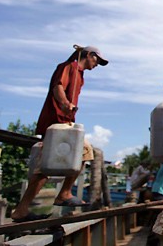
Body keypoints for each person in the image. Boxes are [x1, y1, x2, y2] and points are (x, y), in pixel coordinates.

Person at [11, 45, 108, 222]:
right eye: (97, 60)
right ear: (89, 55)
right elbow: (58, 87)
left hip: (65, 124)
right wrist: (64, 104)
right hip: (56, 123)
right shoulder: (67, 67)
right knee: (44, 168)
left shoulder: (80, 74)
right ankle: (23, 210)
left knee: (85, 152)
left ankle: (63, 193)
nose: (97, 65)